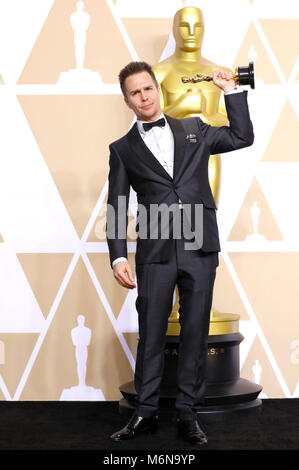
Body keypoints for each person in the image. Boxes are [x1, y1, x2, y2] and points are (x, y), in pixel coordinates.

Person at [106, 61, 254, 445]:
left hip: (199, 243)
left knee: (194, 333)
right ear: (127, 101)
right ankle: (145, 412)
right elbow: (117, 205)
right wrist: (118, 256)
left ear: (157, 89)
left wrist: (230, 92)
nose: (144, 97)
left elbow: (242, 137)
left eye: (148, 89)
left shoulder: (194, 128)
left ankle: (189, 415)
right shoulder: (122, 149)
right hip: (154, 247)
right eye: (135, 93)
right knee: (152, 333)